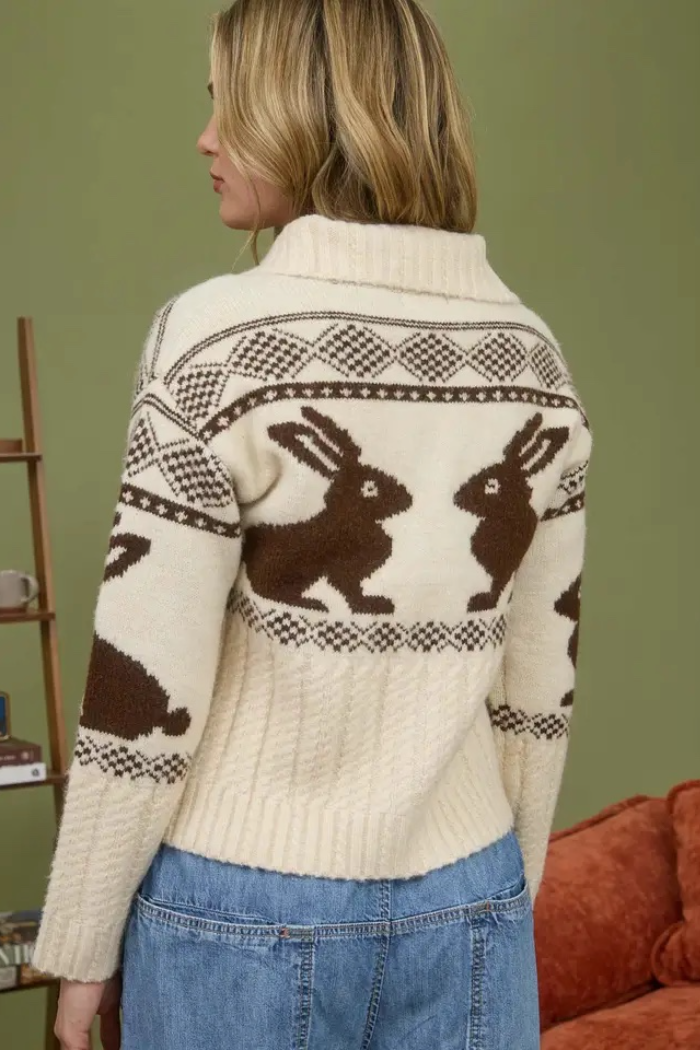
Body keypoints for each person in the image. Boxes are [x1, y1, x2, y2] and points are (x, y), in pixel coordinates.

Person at [32, 0, 593, 1047]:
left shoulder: (213, 340)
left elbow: (144, 681)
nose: (204, 139)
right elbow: (539, 683)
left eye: (229, 106)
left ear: (304, 112)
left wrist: (84, 939)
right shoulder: (532, 357)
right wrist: (500, 895)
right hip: (468, 895)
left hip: (239, 905)